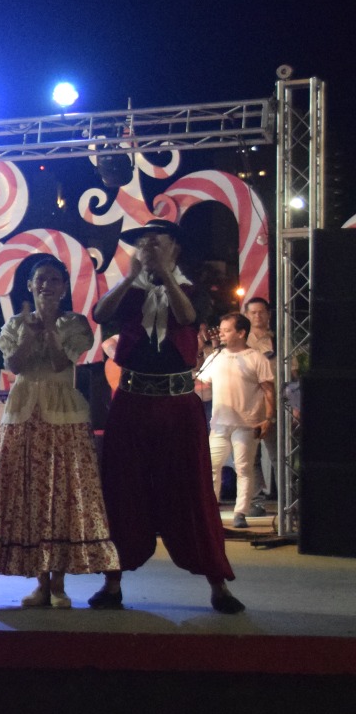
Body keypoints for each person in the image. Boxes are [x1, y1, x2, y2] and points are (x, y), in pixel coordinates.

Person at [91, 219, 244, 613]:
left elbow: (187, 316)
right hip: (131, 401)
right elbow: (99, 313)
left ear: (174, 246)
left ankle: (218, 584)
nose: (147, 248)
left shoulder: (191, 288)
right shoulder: (130, 289)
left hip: (178, 404)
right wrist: (132, 277)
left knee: (193, 490)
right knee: (122, 488)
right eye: (142, 244)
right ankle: (112, 583)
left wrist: (164, 275)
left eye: (154, 242)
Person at [0, 256, 119, 605]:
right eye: (41, 279)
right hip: (23, 413)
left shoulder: (75, 323)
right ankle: (40, 581)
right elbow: (14, 365)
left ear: (63, 288)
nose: (47, 285)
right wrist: (29, 331)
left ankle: (59, 583)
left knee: (61, 494)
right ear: (30, 285)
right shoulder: (16, 323)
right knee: (30, 495)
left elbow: (60, 361)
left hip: (63, 413)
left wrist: (49, 328)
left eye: (54, 280)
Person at [195, 312, 275, 529]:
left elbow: (269, 389)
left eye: (226, 330)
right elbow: (199, 376)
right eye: (221, 330)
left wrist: (268, 418)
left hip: (247, 423)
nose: (221, 334)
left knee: (243, 468)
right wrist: (200, 349)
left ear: (241, 333)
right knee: (211, 466)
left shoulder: (256, 358)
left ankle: (240, 512)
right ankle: (210, 511)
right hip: (219, 423)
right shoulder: (216, 357)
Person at [244, 295, 275, 508]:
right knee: (250, 456)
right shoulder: (240, 340)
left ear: (268, 315)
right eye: (253, 312)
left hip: (274, 404)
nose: (257, 316)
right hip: (249, 406)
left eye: (261, 312)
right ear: (246, 315)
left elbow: (293, 374)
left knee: (279, 454)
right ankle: (255, 501)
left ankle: (290, 500)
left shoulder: (278, 339)